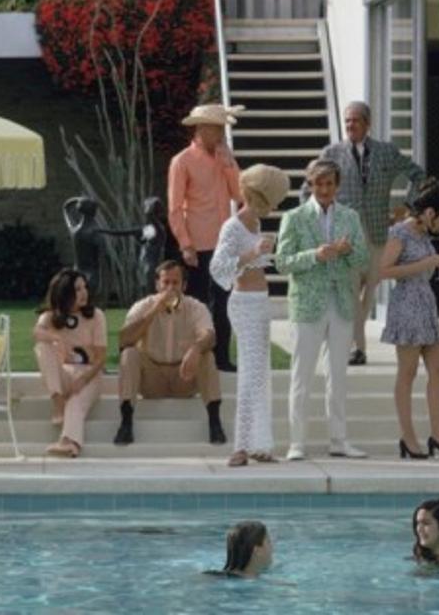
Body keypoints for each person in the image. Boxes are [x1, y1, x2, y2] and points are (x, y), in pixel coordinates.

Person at [307, 101, 425, 367]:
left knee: (368, 294)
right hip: (345, 238)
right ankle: (356, 348)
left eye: (355, 121)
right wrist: (318, 219)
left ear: (367, 123)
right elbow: (310, 187)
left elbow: (418, 176)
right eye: (347, 121)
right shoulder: (332, 153)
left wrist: (407, 207)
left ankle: (347, 340)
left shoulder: (386, 152)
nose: (350, 126)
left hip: (376, 235)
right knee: (349, 292)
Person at [275, 158, 369, 461]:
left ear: (337, 186)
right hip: (307, 304)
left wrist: (347, 250)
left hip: (341, 302)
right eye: (319, 184)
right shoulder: (295, 217)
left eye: (330, 184)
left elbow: (363, 261)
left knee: (338, 375)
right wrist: (316, 255)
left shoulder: (350, 217)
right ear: (310, 185)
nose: (325, 189)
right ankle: (297, 443)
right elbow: (282, 261)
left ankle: (339, 440)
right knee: (301, 374)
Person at [210, 164, 290, 466]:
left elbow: (255, 261)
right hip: (244, 303)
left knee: (260, 373)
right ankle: (240, 446)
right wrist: (254, 253)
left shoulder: (255, 225)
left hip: (260, 301)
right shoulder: (233, 226)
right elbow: (219, 266)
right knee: (250, 373)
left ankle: (259, 444)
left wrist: (265, 254)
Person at [379, 180, 439, 460]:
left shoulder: (423, 234)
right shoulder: (400, 232)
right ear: (429, 212)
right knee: (408, 372)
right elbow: (384, 270)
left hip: (425, 305)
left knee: (438, 369)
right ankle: (409, 437)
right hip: (406, 305)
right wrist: (427, 264)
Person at [114, 260, 225, 448]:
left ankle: (215, 422)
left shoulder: (196, 307)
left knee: (207, 356)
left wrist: (196, 349)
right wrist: (153, 311)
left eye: (175, 283)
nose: (170, 287)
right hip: (152, 378)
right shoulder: (143, 305)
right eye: (166, 282)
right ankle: (126, 422)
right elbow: (124, 340)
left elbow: (210, 336)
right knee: (129, 354)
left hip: (184, 375)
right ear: (157, 284)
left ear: (184, 285)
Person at [168, 104, 245, 372]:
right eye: (217, 128)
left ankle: (221, 358)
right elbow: (175, 207)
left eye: (223, 128)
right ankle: (191, 357)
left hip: (224, 243)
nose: (222, 134)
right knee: (196, 304)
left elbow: (240, 196)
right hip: (197, 244)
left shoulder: (225, 159)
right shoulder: (182, 161)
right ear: (202, 129)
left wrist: (229, 165)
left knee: (223, 304)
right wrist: (185, 244)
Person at [33, 269, 107, 458]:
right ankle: (57, 401)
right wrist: (56, 337)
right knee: (42, 347)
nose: (83, 293)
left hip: (89, 375)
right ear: (64, 293)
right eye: (77, 289)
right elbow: (37, 333)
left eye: (84, 288)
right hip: (64, 375)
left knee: (76, 400)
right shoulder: (51, 316)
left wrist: (83, 379)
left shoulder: (96, 316)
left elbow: (101, 358)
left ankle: (69, 443)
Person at [205, 521, 273, 578]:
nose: (272, 547)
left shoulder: (212, 576)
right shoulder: (266, 584)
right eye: (269, 542)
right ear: (257, 550)